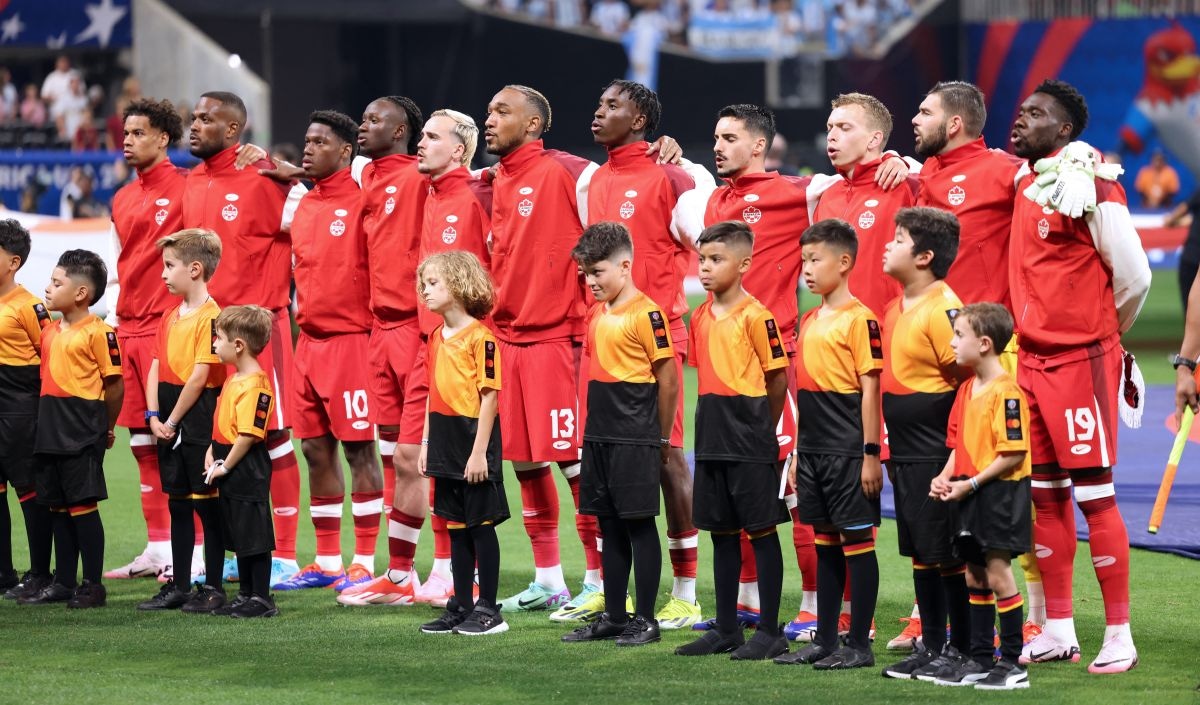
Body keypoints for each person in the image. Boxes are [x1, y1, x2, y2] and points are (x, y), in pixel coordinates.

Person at [680, 102, 902, 638]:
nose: (718, 145)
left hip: (777, 360)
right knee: (740, 489)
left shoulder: (800, 192)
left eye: (729, 137)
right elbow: (675, 190)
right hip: (722, 369)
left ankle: (821, 606)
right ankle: (752, 605)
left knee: (796, 487)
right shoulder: (710, 199)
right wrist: (675, 158)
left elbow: (858, 175)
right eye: (715, 136)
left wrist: (897, 157)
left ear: (758, 145)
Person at [483, 83, 678, 613]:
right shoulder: (494, 179)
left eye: (502, 111)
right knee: (523, 462)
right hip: (509, 338)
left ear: (532, 124)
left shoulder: (571, 171)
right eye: (489, 111)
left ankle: (596, 581)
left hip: (556, 338)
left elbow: (637, 175)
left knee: (576, 465)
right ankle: (549, 577)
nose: (490, 118)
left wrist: (667, 149)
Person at [1009, 79, 1151, 674]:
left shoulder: (1093, 182)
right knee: (1044, 497)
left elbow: (1136, 275)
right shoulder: (1022, 180)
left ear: (1066, 131)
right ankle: (1060, 629)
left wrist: (1100, 337)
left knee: (1095, 496)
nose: (1021, 119)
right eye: (1021, 110)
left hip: (1080, 361)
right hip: (1031, 362)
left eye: (1036, 114)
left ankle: (1119, 634)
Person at [568, 78, 711, 629]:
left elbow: (710, 238)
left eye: (612, 105)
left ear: (641, 120)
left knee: (667, 459)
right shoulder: (592, 178)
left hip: (655, 338)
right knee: (603, 460)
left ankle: (685, 591)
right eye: (600, 102)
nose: (599, 112)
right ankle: (611, 593)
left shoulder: (673, 176)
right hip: (602, 339)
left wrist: (693, 165)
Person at [106, 99, 264, 584]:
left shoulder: (187, 185)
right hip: (129, 324)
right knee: (140, 442)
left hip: (173, 330)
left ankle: (194, 554)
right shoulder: (120, 197)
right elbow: (126, 262)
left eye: (139, 133)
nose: (128, 140)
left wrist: (255, 156)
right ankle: (157, 549)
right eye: (126, 133)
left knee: (188, 444)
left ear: (162, 139)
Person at [182, 91, 306, 587]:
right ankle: (237, 548)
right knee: (219, 437)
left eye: (206, 119)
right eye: (193, 117)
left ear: (233, 130)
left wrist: (290, 169)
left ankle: (287, 556)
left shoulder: (264, 176)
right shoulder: (193, 179)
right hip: (211, 332)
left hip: (258, 332)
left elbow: (331, 200)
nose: (195, 126)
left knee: (272, 437)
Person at [273, 111, 383, 597]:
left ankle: (363, 560)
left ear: (346, 152)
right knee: (315, 448)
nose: (309, 148)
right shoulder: (304, 203)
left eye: (321, 142)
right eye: (307, 140)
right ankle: (326, 559)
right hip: (308, 343)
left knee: (360, 448)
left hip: (353, 341)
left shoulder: (364, 194)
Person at [673, 220, 790, 660]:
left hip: (749, 435)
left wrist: (763, 427)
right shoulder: (700, 314)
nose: (704, 268)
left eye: (715, 260)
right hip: (711, 434)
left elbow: (777, 377)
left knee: (759, 532)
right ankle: (726, 628)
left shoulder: (758, 316)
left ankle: (771, 630)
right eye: (702, 259)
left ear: (743, 264)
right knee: (720, 532)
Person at [559, 221, 676, 646]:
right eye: (586, 273)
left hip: (634, 437)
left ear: (625, 266)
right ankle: (613, 615)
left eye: (598, 272)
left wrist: (660, 439)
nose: (590, 281)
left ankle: (645, 619)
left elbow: (670, 379)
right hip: (600, 436)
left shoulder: (647, 313)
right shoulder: (596, 313)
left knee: (639, 526)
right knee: (607, 525)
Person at [775, 218, 882, 669]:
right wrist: (799, 449)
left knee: (856, 542)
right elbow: (805, 392)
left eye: (815, 260)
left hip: (847, 451)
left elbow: (871, 388)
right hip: (814, 451)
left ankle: (859, 643)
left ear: (844, 261)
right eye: (803, 261)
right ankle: (827, 639)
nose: (807, 270)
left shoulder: (862, 320)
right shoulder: (810, 318)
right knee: (824, 542)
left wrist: (871, 454)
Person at [876, 207, 970, 680]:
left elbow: (966, 385)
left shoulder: (943, 309)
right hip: (906, 451)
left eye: (898, 239)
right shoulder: (896, 307)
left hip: (937, 451)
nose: (887, 246)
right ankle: (931, 644)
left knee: (947, 552)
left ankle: (959, 647)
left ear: (924, 256)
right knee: (921, 550)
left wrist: (954, 460)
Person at [404, 108, 492, 608]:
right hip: (429, 345)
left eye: (432, 137)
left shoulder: (479, 192)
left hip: (467, 351)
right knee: (429, 461)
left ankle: (483, 577)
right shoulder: (430, 193)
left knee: (480, 464)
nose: (421, 143)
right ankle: (444, 572)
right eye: (420, 135)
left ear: (458, 150)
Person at [928, 302, 1032, 691]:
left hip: (999, 492)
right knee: (974, 573)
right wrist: (943, 477)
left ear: (985, 343)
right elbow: (958, 445)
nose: (952, 343)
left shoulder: (1007, 394)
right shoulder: (968, 388)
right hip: (968, 490)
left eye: (959, 335)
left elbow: (1012, 453)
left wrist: (969, 485)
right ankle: (979, 657)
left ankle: (1011, 663)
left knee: (998, 572)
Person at [21, 250, 123, 608]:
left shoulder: (100, 332)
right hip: (48, 432)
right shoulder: (48, 331)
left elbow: (114, 386)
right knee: (58, 509)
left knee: (82, 508)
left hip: (80, 432)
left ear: (81, 293)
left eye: (56, 282)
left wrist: (105, 429)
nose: (48, 289)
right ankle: (63, 581)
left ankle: (93, 585)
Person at [416, 251, 509, 635]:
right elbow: (431, 391)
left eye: (434, 283)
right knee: (454, 526)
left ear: (458, 285)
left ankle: (489, 608)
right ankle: (462, 604)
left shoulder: (482, 339)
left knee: (480, 525)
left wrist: (478, 453)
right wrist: (425, 442)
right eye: (423, 284)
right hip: (444, 440)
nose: (425, 291)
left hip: (474, 442)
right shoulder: (436, 336)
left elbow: (489, 396)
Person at [136, 229, 228, 613]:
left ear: (195, 269)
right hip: (169, 417)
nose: (163, 274)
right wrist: (153, 415)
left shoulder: (213, 317)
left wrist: (171, 420)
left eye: (169, 266)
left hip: (198, 415)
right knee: (176, 502)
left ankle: (214, 586)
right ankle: (181, 585)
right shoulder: (170, 315)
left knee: (206, 504)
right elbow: (156, 364)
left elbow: (200, 377)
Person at [203, 305, 279, 618]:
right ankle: (245, 593)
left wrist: (227, 464)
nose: (214, 345)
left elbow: (247, 436)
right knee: (236, 531)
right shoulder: (234, 379)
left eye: (217, 338)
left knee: (254, 534)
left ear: (238, 345)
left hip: (246, 466)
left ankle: (261, 598)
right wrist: (211, 451)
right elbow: (224, 423)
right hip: (227, 462)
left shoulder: (257, 385)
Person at [814, 92, 918, 318]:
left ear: (874, 139)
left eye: (844, 127)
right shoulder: (826, 194)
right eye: (830, 127)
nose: (831, 136)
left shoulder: (904, 185)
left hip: (887, 330)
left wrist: (901, 161)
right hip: (832, 334)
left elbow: (943, 175)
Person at [0, 220, 53, 600]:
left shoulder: (29, 306)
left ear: (13, 262)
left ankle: (40, 574)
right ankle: (4, 571)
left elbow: (51, 356)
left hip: (20, 407)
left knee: (28, 491)